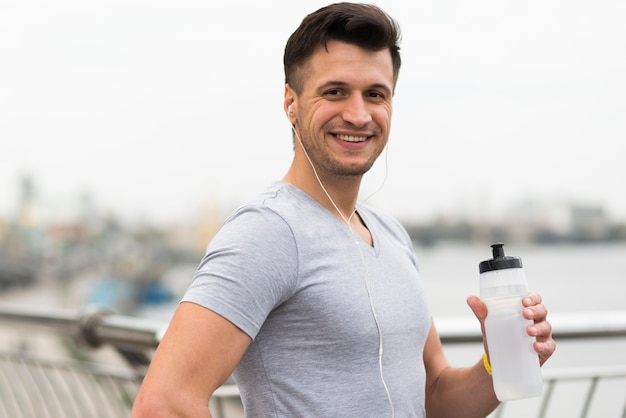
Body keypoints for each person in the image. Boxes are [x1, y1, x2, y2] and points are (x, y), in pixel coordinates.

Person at [132, 3, 556, 417]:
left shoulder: (390, 234)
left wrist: (499, 362)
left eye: (375, 95)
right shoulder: (268, 232)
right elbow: (163, 404)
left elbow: (434, 398)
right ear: (290, 102)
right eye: (335, 92)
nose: (358, 115)